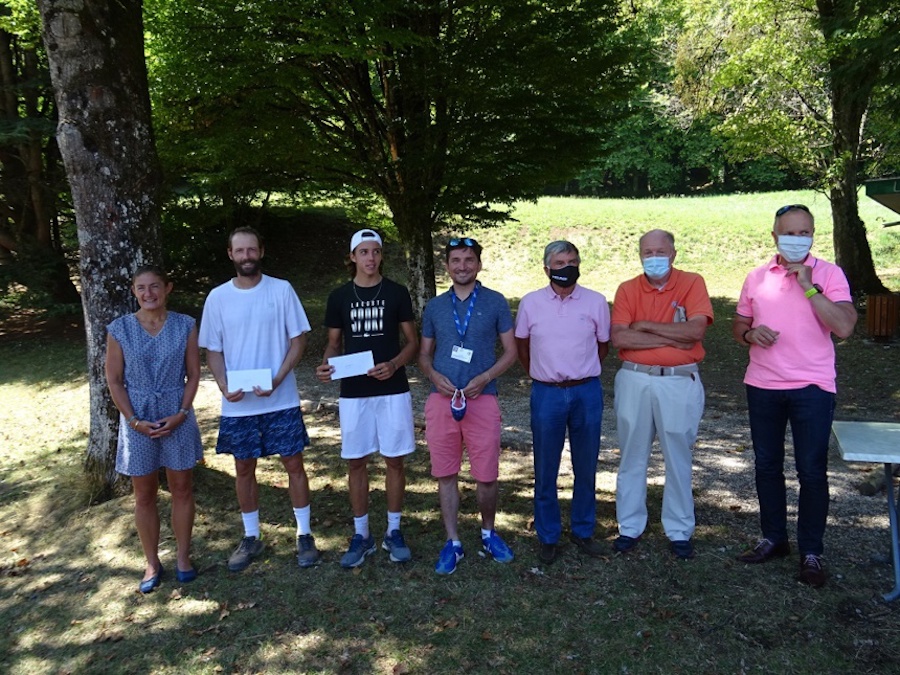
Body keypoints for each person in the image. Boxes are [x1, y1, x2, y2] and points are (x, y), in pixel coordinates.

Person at [733, 204, 856, 588]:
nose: (797, 239)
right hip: (764, 385)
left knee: (811, 471)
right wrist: (751, 334)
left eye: (805, 232)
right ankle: (774, 538)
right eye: (789, 232)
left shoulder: (830, 274)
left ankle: (811, 552)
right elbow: (739, 324)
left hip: (812, 388)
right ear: (774, 236)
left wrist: (808, 285)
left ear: (813, 235)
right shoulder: (756, 277)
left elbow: (845, 327)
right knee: (767, 466)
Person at [199, 226, 320, 572]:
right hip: (239, 404)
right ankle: (251, 536)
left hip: (280, 399)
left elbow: (299, 341)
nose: (247, 256)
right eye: (240, 251)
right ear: (230, 255)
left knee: (294, 465)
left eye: (252, 250)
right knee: (243, 468)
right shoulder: (217, 298)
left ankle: (304, 534)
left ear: (261, 251)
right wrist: (223, 386)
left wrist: (279, 378)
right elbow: (214, 350)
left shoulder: (281, 290)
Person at [316, 229, 419, 568]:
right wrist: (328, 363)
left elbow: (412, 343)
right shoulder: (339, 296)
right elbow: (334, 343)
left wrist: (394, 364)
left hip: (392, 389)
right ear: (352, 257)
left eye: (375, 251)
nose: (370, 258)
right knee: (356, 461)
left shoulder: (397, 292)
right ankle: (362, 535)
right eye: (363, 252)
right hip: (354, 392)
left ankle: (393, 530)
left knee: (394, 460)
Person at [611, 229, 713, 560]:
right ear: (640, 254)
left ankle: (680, 530)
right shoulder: (628, 289)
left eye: (660, 251)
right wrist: (673, 336)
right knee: (631, 456)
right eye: (647, 252)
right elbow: (620, 339)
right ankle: (629, 527)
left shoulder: (692, 282)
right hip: (635, 381)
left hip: (678, 382)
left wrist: (644, 326)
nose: (653, 257)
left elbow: (696, 331)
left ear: (673, 253)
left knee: (678, 458)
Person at [418, 237, 518, 575]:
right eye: (456, 260)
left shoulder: (495, 302)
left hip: (482, 399)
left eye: (469, 259)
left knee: (486, 475)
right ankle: (453, 542)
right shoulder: (434, 307)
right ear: (446, 265)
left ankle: (489, 533)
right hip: (441, 400)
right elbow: (423, 354)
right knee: (445, 473)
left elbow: (511, 352)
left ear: (479, 264)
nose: (462, 266)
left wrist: (485, 377)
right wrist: (433, 374)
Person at [106, 265, 204, 593]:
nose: (149, 294)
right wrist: (133, 420)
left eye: (155, 286)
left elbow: (193, 374)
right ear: (134, 291)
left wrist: (181, 413)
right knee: (144, 494)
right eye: (141, 288)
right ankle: (151, 561)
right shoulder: (119, 329)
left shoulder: (185, 325)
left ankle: (183, 556)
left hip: (177, 415)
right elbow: (115, 381)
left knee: (182, 488)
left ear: (167, 288)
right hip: (137, 419)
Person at [515, 241, 610, 564]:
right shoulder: (530, 303)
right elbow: (522, 346)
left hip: (586, 392)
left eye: (572, 260)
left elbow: (603, 346)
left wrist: (578, 373)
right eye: (559, 262)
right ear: (547, 268)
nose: (566, 267)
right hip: (547, 394)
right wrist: (542, 375)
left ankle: (583, 531)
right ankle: (548, 535)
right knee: (545, 467)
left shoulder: (596, 302)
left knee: (586, 465)